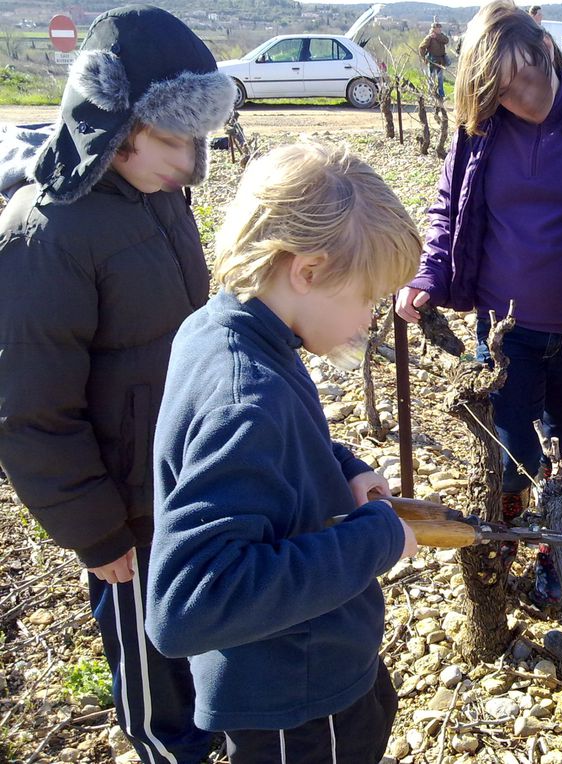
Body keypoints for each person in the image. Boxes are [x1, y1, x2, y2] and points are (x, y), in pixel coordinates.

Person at [0, 6, 234, 763]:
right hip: (124, 516)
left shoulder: (161, 196)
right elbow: (29, 410)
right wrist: (95, 532)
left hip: (184, 485)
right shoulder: (46, 231)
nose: (192, 161)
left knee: (199, 647)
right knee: (155, 684)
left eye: (199, 140)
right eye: (176, 138)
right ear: (115, 122)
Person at [145, 141, 421, 763]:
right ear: (310, 270)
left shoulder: (223, 328)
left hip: (294, 673)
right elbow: (186, 603)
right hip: (296, 707)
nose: (371, 318)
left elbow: (270, 458)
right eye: (369, 297)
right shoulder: (249, 398)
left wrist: (340, 468)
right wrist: (375, 540)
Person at [395, 0, 562, 608]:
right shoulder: (484, 126)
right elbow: (450, 206)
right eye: (503, 90)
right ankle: (502, 546)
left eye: (526, 78)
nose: (523, 98)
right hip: (506, 326)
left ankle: (554, 550)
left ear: (548, 51)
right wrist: (428, 274)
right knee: (508, 448)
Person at [419, 21, 450, 98]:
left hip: (440, 60)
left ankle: (441, 94)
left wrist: (437, 37)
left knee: (440, 79)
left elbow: (446, 40)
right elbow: (421, 47)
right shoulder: (429, 38)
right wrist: (424, 58)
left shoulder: (441, 36)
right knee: (431, 78)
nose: (440, 29)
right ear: (434, 29)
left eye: (440, 28)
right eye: (438, 28)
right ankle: (431, 94)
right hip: (432, 60)